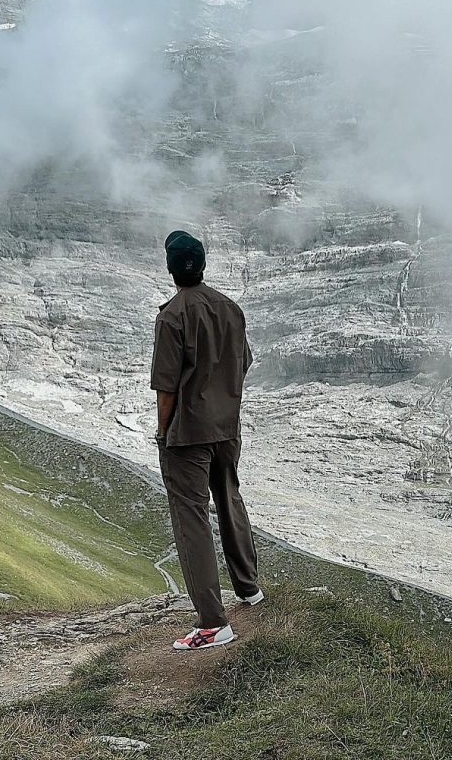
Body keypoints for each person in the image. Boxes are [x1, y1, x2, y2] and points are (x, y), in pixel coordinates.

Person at [151, 230, 263, 651]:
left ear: (170, 268)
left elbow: (166, 389)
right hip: (226, 426)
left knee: (191, 517)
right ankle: (249, 587)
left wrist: (164, 433)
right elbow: (244, 362)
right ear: (203, 264)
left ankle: (213, 623)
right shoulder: (229, 308)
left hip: (189, 433)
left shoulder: (172, 316)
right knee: (229, 498)